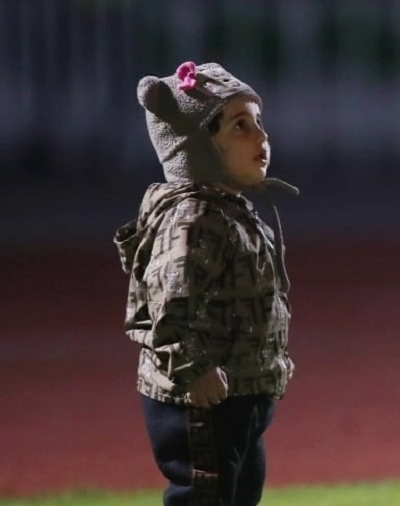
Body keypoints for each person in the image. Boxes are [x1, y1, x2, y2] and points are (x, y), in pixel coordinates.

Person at [115, 61, 298, 505]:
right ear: (198, 144)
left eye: (259, 122)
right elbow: (168, 302)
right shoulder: (194, 219)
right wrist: (193, 368)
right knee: (204, 492)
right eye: (240, 127)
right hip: (201, 400)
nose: (261, 137)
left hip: (240, 390)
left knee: (238, 490)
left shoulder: (227, 211)